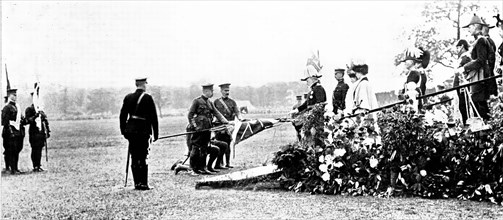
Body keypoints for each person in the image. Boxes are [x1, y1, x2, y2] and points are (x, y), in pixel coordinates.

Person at [119, 77, 159, 190]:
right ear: (144, 85)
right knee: (143, 156)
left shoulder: (128, 97)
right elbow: (153, 117)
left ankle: (136, 183)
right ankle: (144, 183)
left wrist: (123, 131)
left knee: (134, 156)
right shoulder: (148, 97)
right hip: (143, 130)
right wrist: (156, 134)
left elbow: (122, 115)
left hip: (131, 130)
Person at [456, 14, 494, 121]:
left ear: (475, 26)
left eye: (470, 27)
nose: (468, 29)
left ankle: (487, 132)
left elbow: (481, 61)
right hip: (478, 77)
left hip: (481, 78)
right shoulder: (479, 41)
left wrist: (464, 68)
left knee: (481, 106)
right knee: (478, 105)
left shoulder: (481, 40)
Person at [187, 84, 229, 174]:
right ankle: (193, 169)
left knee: (205, 148)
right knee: (195, 148)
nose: (213, 92)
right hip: (198, 130)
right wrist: (195, 126)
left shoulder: (210, 102)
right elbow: (190, 116)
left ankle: (203, 168)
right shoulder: (197, 101)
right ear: (206, 91)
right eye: (211, 91)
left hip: (207, 129)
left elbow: (216, 113)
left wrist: (226, 121)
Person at [213, 83, 242, 169]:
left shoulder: (232, 102)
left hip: (229, 127)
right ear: (221, 91)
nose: (227, 92)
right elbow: (213, 113)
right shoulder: (216, 102)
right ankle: (220, 163)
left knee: (228, 144)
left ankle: (228, 163)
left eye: (228, 90)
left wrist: (240, 118)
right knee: (219, 145)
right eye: (225, 91)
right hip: (219, 127)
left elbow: (237, 112)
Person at [2, 88, 26, 174]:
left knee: (17, 150)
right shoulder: (7, 107)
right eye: (13, 95)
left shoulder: (17, 106)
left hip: (18, 131)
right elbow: (5, 122)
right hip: (10, 132)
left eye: (16, 95)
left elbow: (21, 119)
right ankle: (12, 169)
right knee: (12, 150)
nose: (15, 96)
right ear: (9, 96)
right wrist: (10, 132)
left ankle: (16, 168)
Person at [25, 90, 51, 172]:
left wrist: (48, 131)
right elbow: (27, 120)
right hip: (34, 132)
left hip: (41, 133)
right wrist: (35, 116)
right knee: (34, 149)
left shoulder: (41, 110)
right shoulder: (29, 109)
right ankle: (35, 165)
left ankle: (39, 164)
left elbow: (45, 121)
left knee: (39, 149)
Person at [399, 47, 430, 111]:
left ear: (414, 62)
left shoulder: (414, 73)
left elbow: (412, 90)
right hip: (417, 100)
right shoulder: (417, 73)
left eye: (408, 60)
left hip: (414, 102)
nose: (405, 62)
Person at [453, 39, 472, 125]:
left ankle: (467, 123)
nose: (456, 50)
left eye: (457, 48)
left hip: (463, 84)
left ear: (462, 47)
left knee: (464, 106)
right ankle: (465, 122)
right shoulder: (462, 57)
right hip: (460, 85)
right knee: (461, 106)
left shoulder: (466, 57)